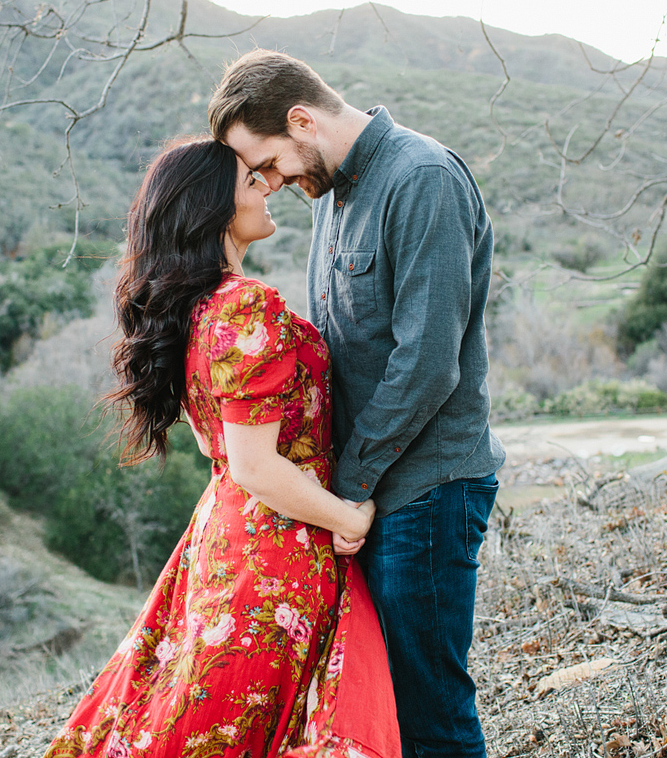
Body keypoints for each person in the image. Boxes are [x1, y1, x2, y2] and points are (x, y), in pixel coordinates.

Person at [47, 139, 399, 757]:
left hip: (226, 531)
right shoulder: (243, 305)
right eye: (250, 180)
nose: (267, 186)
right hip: (276, 543)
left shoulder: (192, 309)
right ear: (212, 207)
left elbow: (224, 448)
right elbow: (257, 466)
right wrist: (350, 516)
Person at [210, 50, 505, 758]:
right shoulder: (334, 196)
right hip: (369, 496)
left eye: (268, 164)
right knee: (388, 715)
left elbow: (428, 363)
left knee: (429, 710)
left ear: (302, 119)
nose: (270, 186)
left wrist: (350, 488)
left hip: (425, 491)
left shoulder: (422, 178)